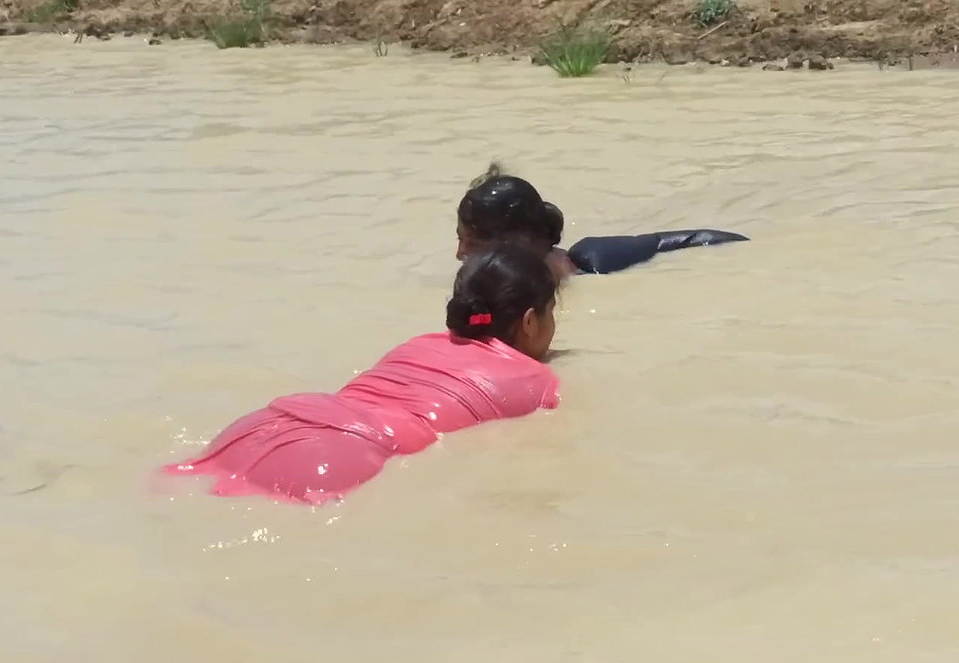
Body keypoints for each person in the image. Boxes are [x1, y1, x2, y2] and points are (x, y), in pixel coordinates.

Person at [164, 244, 561, 506]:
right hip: (347, 449)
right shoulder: (536, 380)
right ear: (529, 321)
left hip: (269, 422)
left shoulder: (418, 343)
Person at [455, 162, 749, 277]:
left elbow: (685, 240)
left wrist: (747, 249)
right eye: (460, 239)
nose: (459, 254)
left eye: (473, 242)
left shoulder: (594, 263)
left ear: (521, 241)